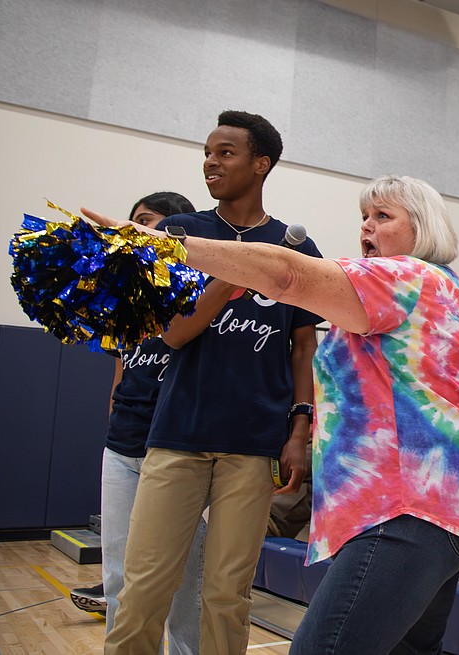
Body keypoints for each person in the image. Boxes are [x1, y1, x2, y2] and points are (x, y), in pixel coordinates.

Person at [86, 174, 459, 654]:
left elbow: (288, 274)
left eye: (383, 217)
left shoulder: (406, 278)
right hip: (448, 511)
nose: (367, 226)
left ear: (423, 228)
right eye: (364, 217)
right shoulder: (444, 290)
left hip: (409, 508)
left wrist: (164, 244)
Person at [102, 111, 323, 655]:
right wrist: (242, 270)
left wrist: (300, 429)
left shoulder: (295, 246)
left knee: (227, 594)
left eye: (226, 152)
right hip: (177, 434)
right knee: (144, 587)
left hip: (252, 445)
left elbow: (302, 348)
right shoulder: (185, 236)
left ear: (261, 163)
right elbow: (174, 334)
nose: (210, 162)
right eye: (208, 152)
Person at [69, 192, 204, 655]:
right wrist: (116, 400)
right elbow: (122, 360)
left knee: (188, 581)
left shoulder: (197, 293)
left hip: (180, 448)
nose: (137, 231)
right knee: (118, 573)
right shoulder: (128, 293)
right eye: (135, 223)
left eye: (147, 223)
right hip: (122, 446)